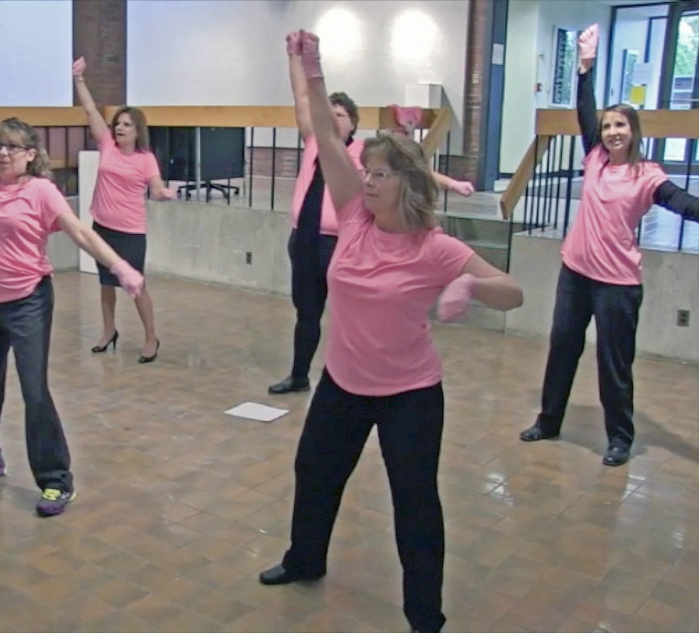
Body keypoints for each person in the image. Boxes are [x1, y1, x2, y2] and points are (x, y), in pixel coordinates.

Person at [259, 31, 523, 633]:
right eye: (368, 171)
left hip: (410, 394)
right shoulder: (354, 215)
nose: (368, 179)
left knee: (415, 502)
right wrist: (311, 66)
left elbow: (513, 291)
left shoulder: (435, 247)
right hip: (343, 384)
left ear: (407, 182)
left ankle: (425, 613)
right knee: (315, 473)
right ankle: (305, 559)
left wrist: (468, 284)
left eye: (380, 173)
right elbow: (326, 136)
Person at [0, 34, 144, 518]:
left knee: (34, 391)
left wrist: (120, 266)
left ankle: (56, 480)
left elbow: (80, 232)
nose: (2, 154)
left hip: (29, 301)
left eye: (13, 148)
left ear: (31, 154)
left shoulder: (41, 192)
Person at [519, 24, 699, 466]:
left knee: (613, 364)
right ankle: (549, 420)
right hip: (575, 273)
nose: (613, 131)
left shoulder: (648, 175)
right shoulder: (595, 157)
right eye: (608, 126)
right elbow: (585, 111)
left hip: (617, 285)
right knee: (563, 347)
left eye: (621, 125)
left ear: (634, 131)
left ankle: (620, 438)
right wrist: (585, 67)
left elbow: (684, 204)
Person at [268, 33, 475, 395]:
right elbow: (302, 97)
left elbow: (412, 169)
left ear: (353, 122)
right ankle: (300, 375)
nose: (332, 120)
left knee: (351, 310)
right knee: (306, 311)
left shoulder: (365, 153)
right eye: (328, 114)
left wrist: (452, 183)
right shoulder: (314, 141)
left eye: (339, 115)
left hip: (340, 242)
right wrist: (293, 56)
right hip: (304, 240)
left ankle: (354, 376)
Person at [72, 56, 177, 363]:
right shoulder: (106, 144)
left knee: (136, 286)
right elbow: (91, 110)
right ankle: (109, 331)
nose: (119, 127)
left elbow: (155, 188)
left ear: (137, 131)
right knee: (106, 283)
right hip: (102, 227)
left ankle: (151, 338)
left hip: (130, 232)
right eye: (118, 123)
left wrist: (163, 193)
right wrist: (79, 80)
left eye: (126, 125)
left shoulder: (146, 159)